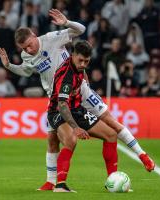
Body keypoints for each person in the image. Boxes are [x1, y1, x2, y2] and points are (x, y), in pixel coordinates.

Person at [0, 9, 155, 191]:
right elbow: (25, 70)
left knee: (111, 124)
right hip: (56, 97)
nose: (28, 50)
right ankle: (52, 182)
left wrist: (66, 22)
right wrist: (9, 66)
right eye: (24, 48)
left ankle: (136, 160)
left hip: (81, 90)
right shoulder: (27, 56)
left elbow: (80, 30)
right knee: (53, 140)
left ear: (34, 35)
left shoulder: (52, 38)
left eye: (29, 45)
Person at [47, 41, 118, 192]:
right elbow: (62, 105)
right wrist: (76, 128)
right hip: (58, 112)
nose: (83, 64)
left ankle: (113, 180)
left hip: (76, 109)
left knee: (111, 134)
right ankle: (60, 185)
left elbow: (82, 79)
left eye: (87, 61)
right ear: (72, 56)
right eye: (80, 60)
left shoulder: (79, 67)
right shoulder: (67, 75)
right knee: (71, 139)